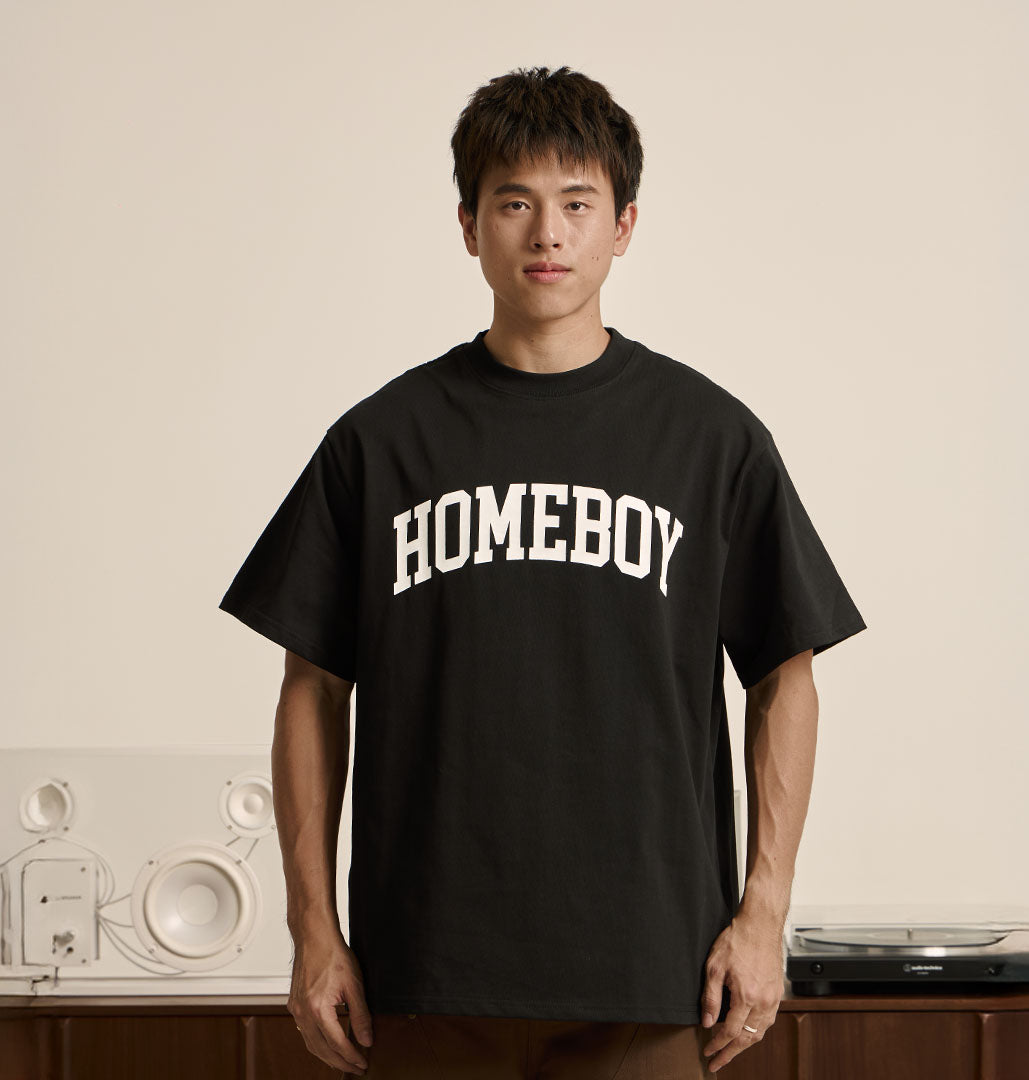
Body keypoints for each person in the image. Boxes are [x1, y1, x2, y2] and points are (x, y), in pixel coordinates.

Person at [218, 65, 867, 1079]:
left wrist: (763, 913)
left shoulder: (710, 440)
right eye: (514, 203)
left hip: (652, 969)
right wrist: (312, 930)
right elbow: (311, 687)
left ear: (624, 225)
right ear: (469, 226)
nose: (547, 235)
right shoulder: (379, 442)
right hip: (425, 972)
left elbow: (787, 674)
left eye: (577, 203)